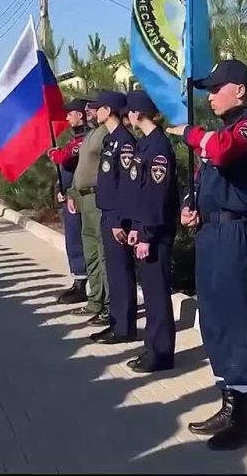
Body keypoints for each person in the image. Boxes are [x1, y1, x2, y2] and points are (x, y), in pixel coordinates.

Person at [166, 59, 247, 451]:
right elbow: (203, 177)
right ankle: (228, 400)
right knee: (212, 319)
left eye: (216, 89)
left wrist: (191, 133)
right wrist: (190, 206)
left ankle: (243, 417)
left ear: (239, 90)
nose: (209, 96)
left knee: (234, 318)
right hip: (211, 233)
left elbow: (222, 152)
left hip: (234, 234)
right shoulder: (219, 131)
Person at [125, 90, 178, 372]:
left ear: (138, 113)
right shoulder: (145, 145)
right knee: (151, 291)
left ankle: (161, 354)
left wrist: (146, 234)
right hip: (145, 229)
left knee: (157, 295)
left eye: (130, 111)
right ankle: (151, 348)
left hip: (156, 234)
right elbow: (140, 193)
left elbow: (157, 197)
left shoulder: (158, 147)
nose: (128, 116)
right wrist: (135, 227)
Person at [87, 90, 138, 345]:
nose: (95, 112)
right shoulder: (111, 140)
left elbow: (126, 185)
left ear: (109, 110)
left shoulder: (125, 141)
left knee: (120, 272)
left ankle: (125, 327)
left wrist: (118, 219)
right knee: (114, 272)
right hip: (108, 214)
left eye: (99, 108)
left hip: (117, 217)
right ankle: (117, 323)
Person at [65, 95, 110, 326]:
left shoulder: (106, 134)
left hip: (97, 198)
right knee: (90, 252)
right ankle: (95, 300)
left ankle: (109, 304)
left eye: (92, 108)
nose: (88, 111)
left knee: (103, 254)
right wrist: (72, 192)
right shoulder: (91, 134)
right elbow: (81, 167)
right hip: (83, 198)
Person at [48, 99, 89, 304]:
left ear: (80, 115)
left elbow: (66, 158)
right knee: (72, 239)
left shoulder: (85, 139)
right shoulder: (76, 138)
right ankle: (77, 280)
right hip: (69, 197)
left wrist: (57, 154)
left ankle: (83, 284)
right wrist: (59, 189)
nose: (66, 117)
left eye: (69, 114)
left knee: (79, 240)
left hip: (81, 199)